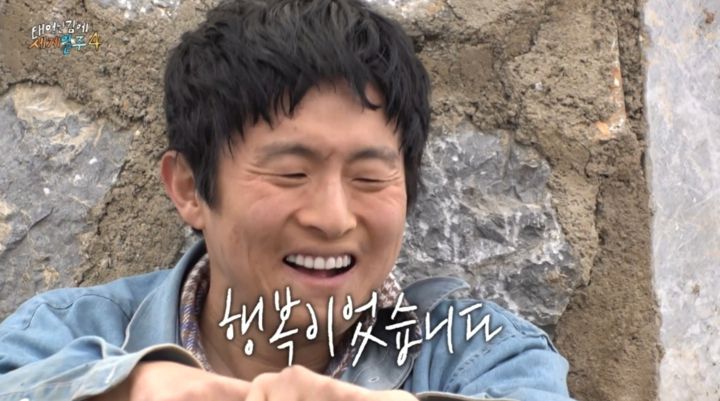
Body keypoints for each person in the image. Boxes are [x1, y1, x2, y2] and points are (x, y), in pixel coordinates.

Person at [0, 1, 575, 400]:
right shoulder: (58, 336)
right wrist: (124, 389)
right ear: (190, 188)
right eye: (291, 173)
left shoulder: (481, 354)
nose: (332, 218)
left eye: (369, 177)